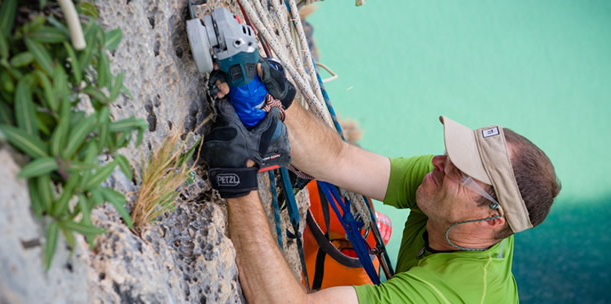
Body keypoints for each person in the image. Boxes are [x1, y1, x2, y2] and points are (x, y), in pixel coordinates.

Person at [201, 61, 561, 303]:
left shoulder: (448, 293)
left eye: (461, 171)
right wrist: (280, 99)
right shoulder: (451, 197)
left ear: (492, 218)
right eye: (453, 155)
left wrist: (238, 182)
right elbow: (340, 160)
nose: (438, 163)